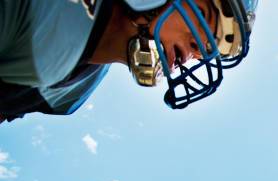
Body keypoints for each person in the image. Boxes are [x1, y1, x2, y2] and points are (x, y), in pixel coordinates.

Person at [0, 0, 258, 123]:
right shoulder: (47, 10)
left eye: (203, 50)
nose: (192, 53)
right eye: (201, 17)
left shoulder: (81, 82)